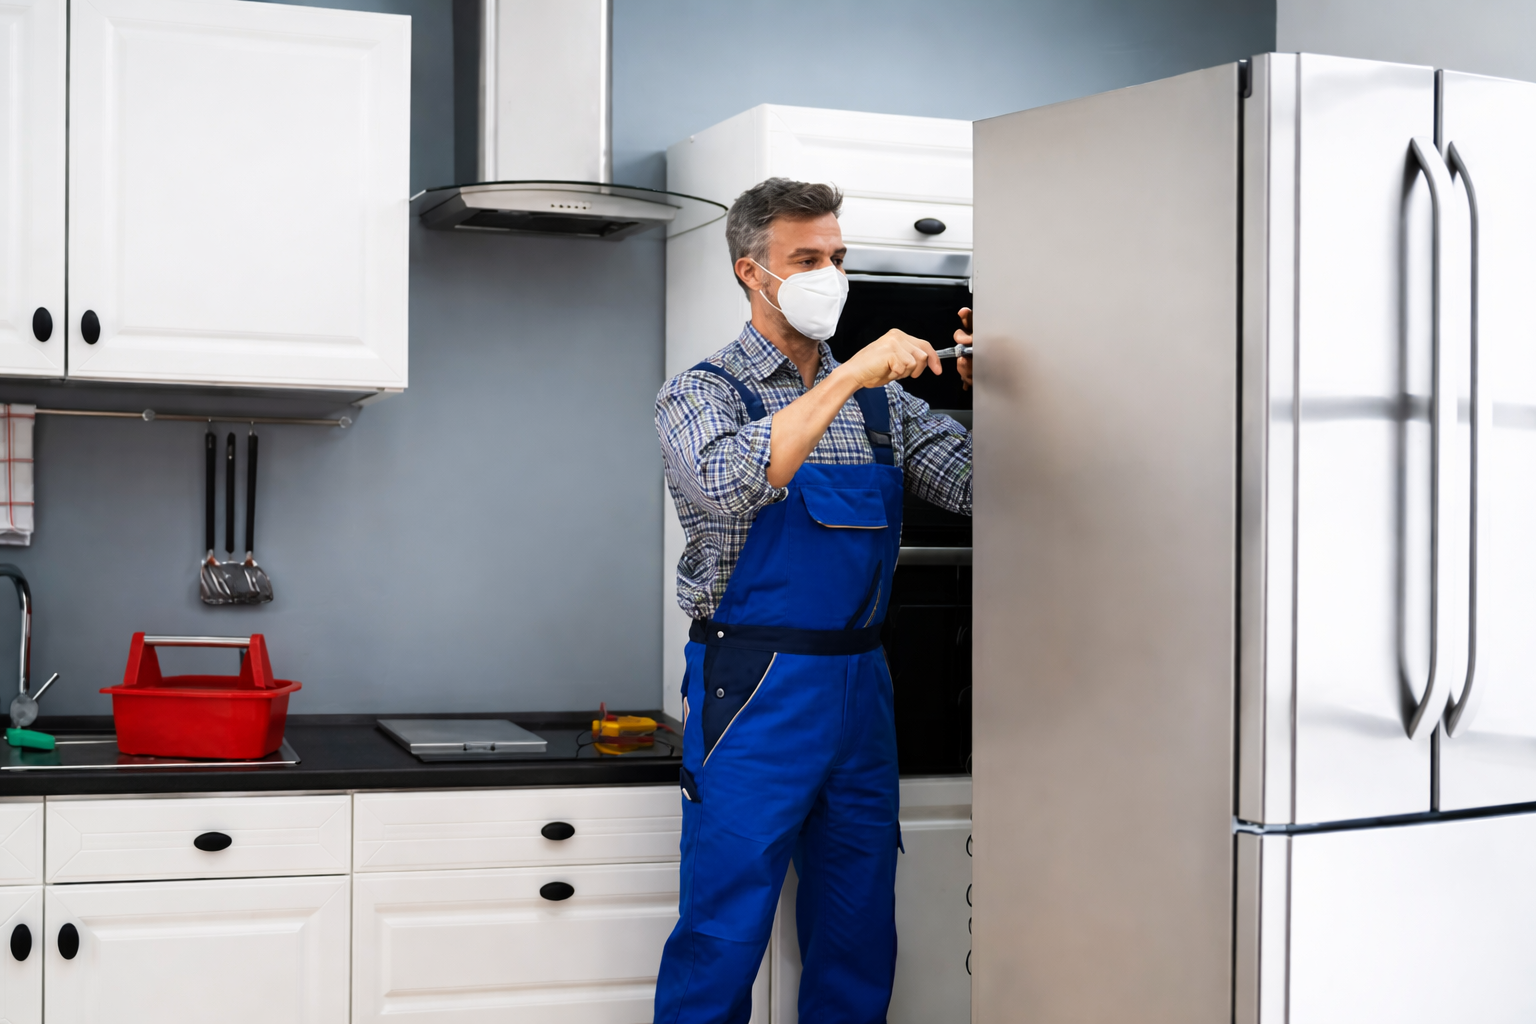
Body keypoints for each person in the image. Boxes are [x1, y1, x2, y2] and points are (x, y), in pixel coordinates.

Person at [653, 176, 973, 1023]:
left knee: (858, 923)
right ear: (751, 273)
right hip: (755, 686)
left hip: (861, 689)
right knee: (724, 926)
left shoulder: (887, 407)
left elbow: (984, 487)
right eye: (807, 259)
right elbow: (725, 485)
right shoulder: (703, 392)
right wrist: (846, 377)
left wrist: (1007, 378)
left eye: (838, 257)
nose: (830, 274)